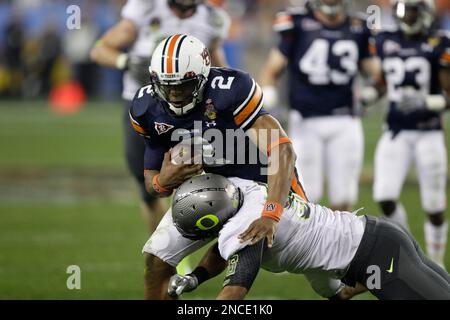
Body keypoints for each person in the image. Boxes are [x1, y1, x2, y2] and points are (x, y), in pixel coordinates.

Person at [129, 34, 308, 299]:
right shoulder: (147, 108)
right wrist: (162, 182)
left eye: (184, 86)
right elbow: (152, 182)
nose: (176, 95)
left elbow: (281, 150)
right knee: (156, 260)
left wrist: (272, 210)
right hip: (214, 185)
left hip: (263, 182)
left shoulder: (231, 89)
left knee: (325, 276)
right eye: (169, 87)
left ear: (203, 78)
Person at [167, 173, 450, 300]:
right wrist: (196, 278)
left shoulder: (243, 230)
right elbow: (222, 251)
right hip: (376, 240)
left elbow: (234, 291)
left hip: (376, 255)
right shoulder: (244, 190)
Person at [90, 0, 230, 233]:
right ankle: (165, 252)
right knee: (150, 186)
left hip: (193, 111)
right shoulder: (146, 8)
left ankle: (206, 243)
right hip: (147, 111)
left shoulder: (212, 19)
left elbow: (219, 67)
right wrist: (126, 61)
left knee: (202, 178)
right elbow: (99, 50)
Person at [260, 0, 376, 211]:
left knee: (344, 195)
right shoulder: (297, 22)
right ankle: (309, 244)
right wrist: (269, 95)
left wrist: (372, 92)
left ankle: (340, 242)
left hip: (345, 119)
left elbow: (376, 74)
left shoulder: (359, 27)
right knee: (307, 193)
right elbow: (272, 69)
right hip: (305, 119)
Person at [365, 0, 449, 268]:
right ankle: (414, 254)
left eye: (412, 11)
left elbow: (449, 95)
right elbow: (383, 82)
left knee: (434, 204)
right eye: (403, 10)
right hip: (396, 130)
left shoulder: (439, 42)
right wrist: (370, 93)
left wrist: (428, 102)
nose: (407, 17)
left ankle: (436, 261)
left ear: (424, 13)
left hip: (428, 131)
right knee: (384, 195)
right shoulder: (387, 40)